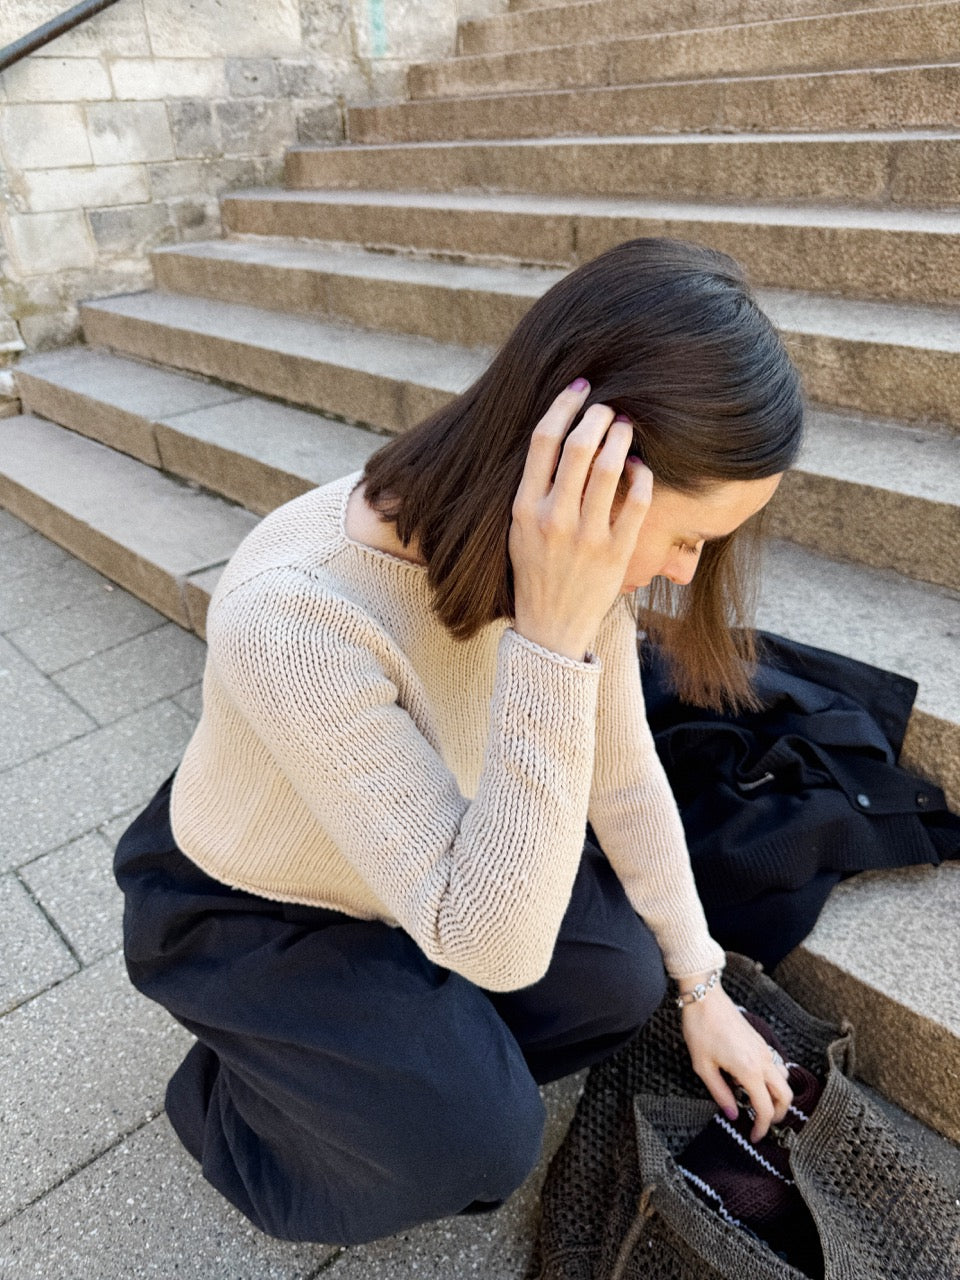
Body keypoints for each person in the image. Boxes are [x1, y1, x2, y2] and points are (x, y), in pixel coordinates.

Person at [114, 238, 804, 1245]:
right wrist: (552, 643)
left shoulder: (563, 557)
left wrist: (703, 985)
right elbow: (497, 946)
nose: (686, 576)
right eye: (688, 537)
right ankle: (244, 1090)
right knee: (477, 1142)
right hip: (256, 907)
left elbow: (622, 778)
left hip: (411, 861)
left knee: (623, 979)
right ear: (580, 478)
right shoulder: (294, 614)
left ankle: (397, 1061)